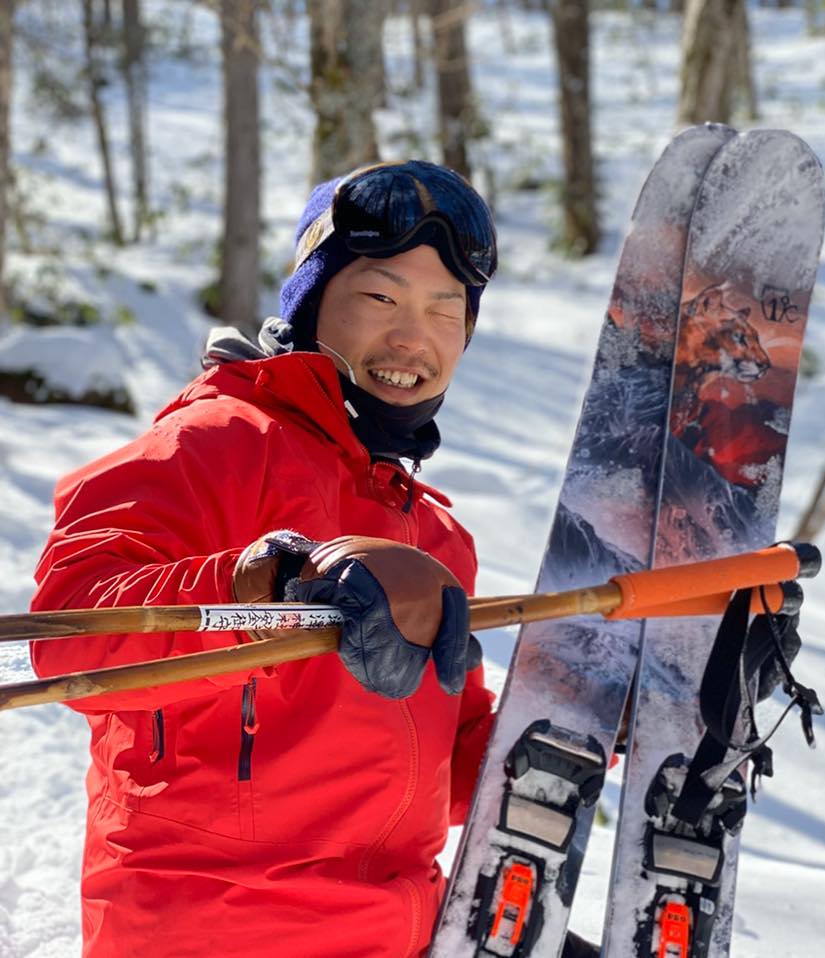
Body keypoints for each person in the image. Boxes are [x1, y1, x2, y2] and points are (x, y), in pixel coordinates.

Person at [30, 160, 600, 958]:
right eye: (379, 297)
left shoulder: (432, 534)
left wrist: (591, 712)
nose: (413, 336)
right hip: (217, 930)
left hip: (403, 930)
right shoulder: (209, 445)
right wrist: (277, 581)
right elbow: (69, 637)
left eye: (445, 310)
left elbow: (432, 769)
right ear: (308, 305)